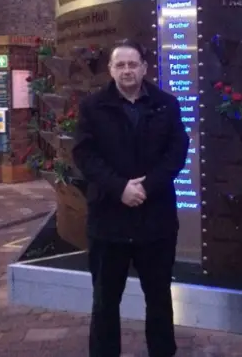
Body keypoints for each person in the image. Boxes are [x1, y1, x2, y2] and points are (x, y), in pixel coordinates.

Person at [72, 39, 189, 357]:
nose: (127, 70)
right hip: (109, 221)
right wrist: (119, 188)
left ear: (144, 68)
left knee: (159, 299)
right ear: (110, 69)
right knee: (105, 301)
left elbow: (176, 153)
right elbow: (84, 155)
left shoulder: (167, 104)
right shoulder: (93, 107)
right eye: (120, 64)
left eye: (132, 64)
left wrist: (146, 188)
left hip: (156, 222)